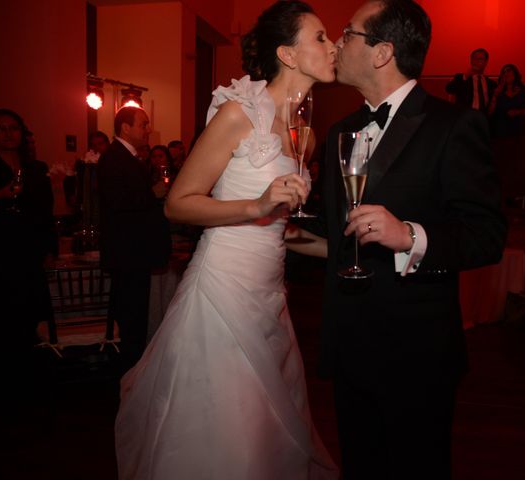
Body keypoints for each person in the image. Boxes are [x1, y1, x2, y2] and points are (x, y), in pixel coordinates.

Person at [114, 2, 338, 479]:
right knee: (231, 428)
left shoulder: (306, 136)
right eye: (320, 37)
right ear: (288, 54)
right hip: (221, 290)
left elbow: (280, 225)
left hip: (270, 295)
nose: (333, 45)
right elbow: (179, 203)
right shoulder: (239, 114)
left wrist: (335, 249)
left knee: (266, 428)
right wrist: (256, 206)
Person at [322, 1, 507, 478]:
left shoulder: (454, 126)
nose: (338, 43)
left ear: (383, 52)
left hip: (415, 355)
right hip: (349, 347)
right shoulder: (339, 133)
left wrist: (409, 235)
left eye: (348, 33)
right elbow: (338, 237)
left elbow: (486, 236)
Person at [0, 109, 55, 407]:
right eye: (1, 128)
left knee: (32, 314)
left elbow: (46, 213)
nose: (8, 133)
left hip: (29, 253)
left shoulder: (35, 168)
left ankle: (32, 383)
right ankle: (3, 386)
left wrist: (49, 249)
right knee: (2, 317)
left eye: (14, 128)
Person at [97, 107, 171, 372]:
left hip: (135, 252)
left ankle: (134, 367)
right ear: (125, 128)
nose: (148, 129)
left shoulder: (130, 158)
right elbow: (117, 202)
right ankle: (131, 371)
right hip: (127, 252)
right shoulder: (113, 158)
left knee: (136, 313)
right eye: (143, 124)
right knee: (131, 315)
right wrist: (153, 193)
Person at [445, 47, 497, 112]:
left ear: (486, 62)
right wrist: (466, 76)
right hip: (465, 115)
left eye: (480, 59)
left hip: (483, 117)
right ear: (471, 61)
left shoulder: (491, 83)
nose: (477, 61)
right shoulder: (461, 77)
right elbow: (449, 89)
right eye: (474, 58)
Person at [488, 63, 525, 137]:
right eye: (504, 72)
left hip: (518, 129)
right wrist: (495, 95)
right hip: (500, 129)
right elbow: (490, 112)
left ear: (515, 73)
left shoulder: (523, 91)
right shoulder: (497, 91)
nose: (506, 73)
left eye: (509, 70)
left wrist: (518, 112)